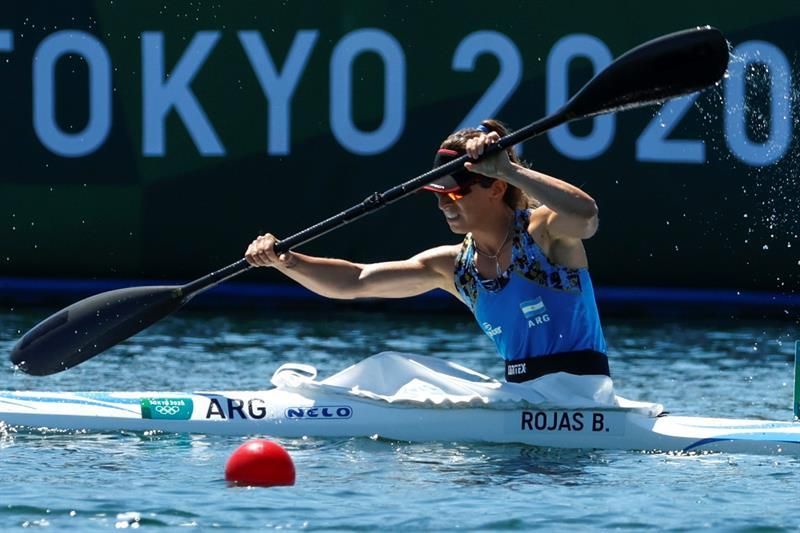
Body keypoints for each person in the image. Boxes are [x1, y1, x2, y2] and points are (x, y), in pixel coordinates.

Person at [245, 119, 609, 386]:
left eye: (454, 194)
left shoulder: (543, 232)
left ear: (497, 189)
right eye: (438, 195)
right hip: (522, 401)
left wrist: (508, 169)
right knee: (391, 367)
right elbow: (356, 280)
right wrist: (286, 261)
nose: (444, 204)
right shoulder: (455, 267)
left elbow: (586, 215)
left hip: (584, 395)